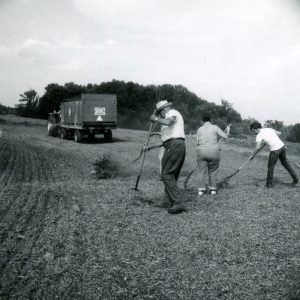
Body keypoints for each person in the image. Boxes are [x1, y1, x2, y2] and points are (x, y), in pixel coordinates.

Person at [143, 100, 186, 214]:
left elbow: (169, 122)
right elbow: (166, 141)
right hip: (172, 146)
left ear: (164, 110)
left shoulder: (173, 113)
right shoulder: (166, 121)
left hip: (175, 145)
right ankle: (167, 202)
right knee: (171, 176)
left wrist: (156, 119)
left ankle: (179, 202)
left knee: (166, 174)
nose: (159, 115)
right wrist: (151, 146)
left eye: (160, 112)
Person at [250, 121, 298, 188]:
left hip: (275, 150)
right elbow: (279, 133)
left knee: (270, 167)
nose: (254, 132)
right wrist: (271, 138)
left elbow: (257, 147)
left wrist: (252, 155)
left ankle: (268, 185)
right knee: (286, 164)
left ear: (257, 129)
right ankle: (296, 179)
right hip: (282, 147)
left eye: (253, 130)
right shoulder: (268, 129)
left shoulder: (259, 135)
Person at [196, 116, 231, 195]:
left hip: (201, 151)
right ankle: (213, 190)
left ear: (202, 121)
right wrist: (228, 130)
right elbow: (226, 137)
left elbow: (197, 142)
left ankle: (201, 191)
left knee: (201, 172)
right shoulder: (215, 127)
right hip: (214, 151)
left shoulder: (199, 129)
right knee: (213, 171)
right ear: (210, 121)